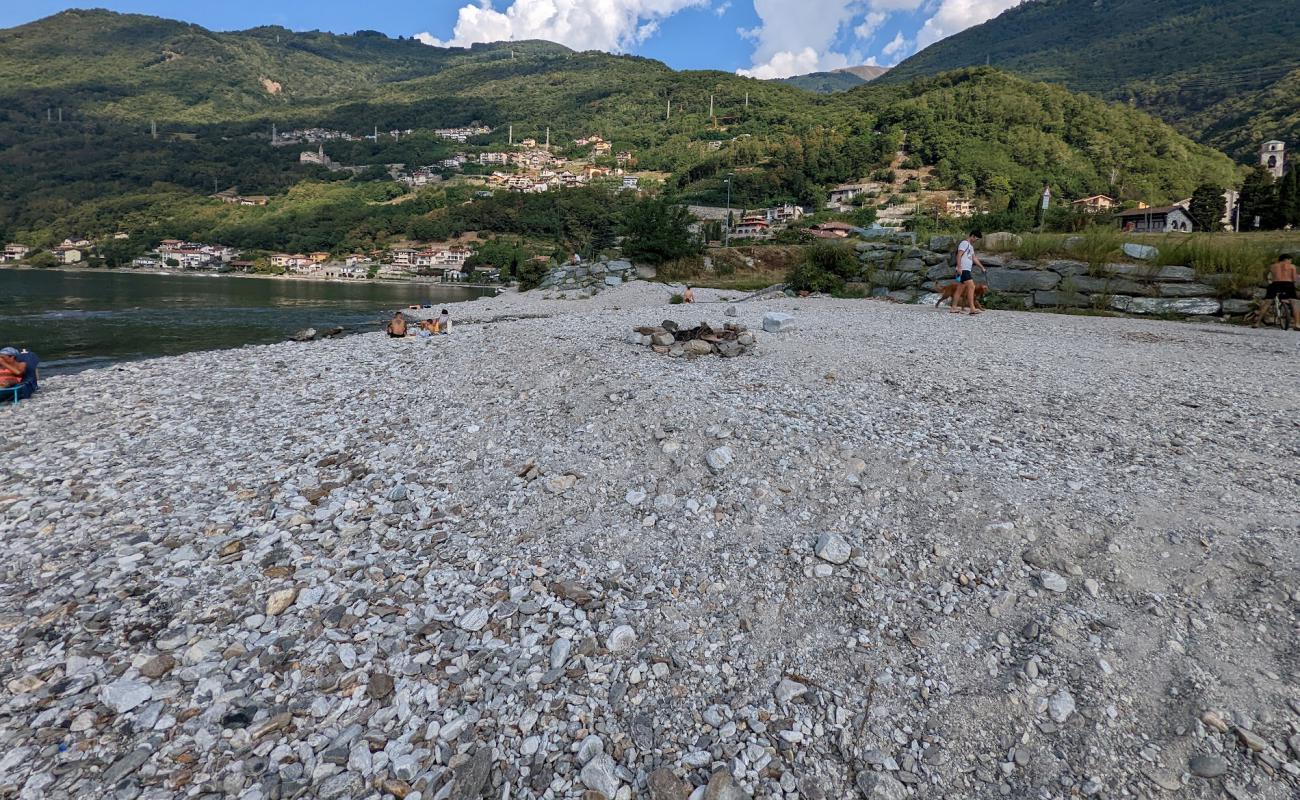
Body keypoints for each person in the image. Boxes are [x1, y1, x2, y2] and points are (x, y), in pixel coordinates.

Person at [1255, 252, 1298, 328]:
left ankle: (1257, 323)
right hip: (1288, 284)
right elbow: (1294, 279)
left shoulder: (1272, 266)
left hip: (1275, 284)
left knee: (1267, 303)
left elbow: (1265, 273)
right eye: (1290, 260)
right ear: (1286, 259)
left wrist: (1267, 280)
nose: (1291, 262)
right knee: (1294, 303)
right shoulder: (1292, 266)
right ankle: (1297, 324)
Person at [952, 231, 987, 316]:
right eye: (976, 239)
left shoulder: (970, 246)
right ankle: (972, 308)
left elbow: (974, 258)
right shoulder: (964, 243)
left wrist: (982, 267)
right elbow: (958, 255)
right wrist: (959, 267)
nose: (976, 241)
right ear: (973, 236)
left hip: (966, 269)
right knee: (971, 287)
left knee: (960, 288)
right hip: (963, 269)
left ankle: (953, 307)